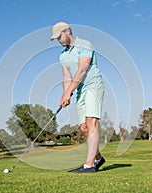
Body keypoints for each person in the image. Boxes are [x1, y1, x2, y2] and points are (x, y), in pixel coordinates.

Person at [50, 22, 105, 173]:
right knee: (83, 128)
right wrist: (64, 94)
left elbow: (82, 70)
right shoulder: (63, 56)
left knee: (91, 122)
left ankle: (89, 165)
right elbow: (67, 77)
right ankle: (98, 157)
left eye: (59, 37)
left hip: (93, 85)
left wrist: (69, 92)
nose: (58, 41)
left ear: (67, 31)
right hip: (80, 89)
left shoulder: (85, 44)